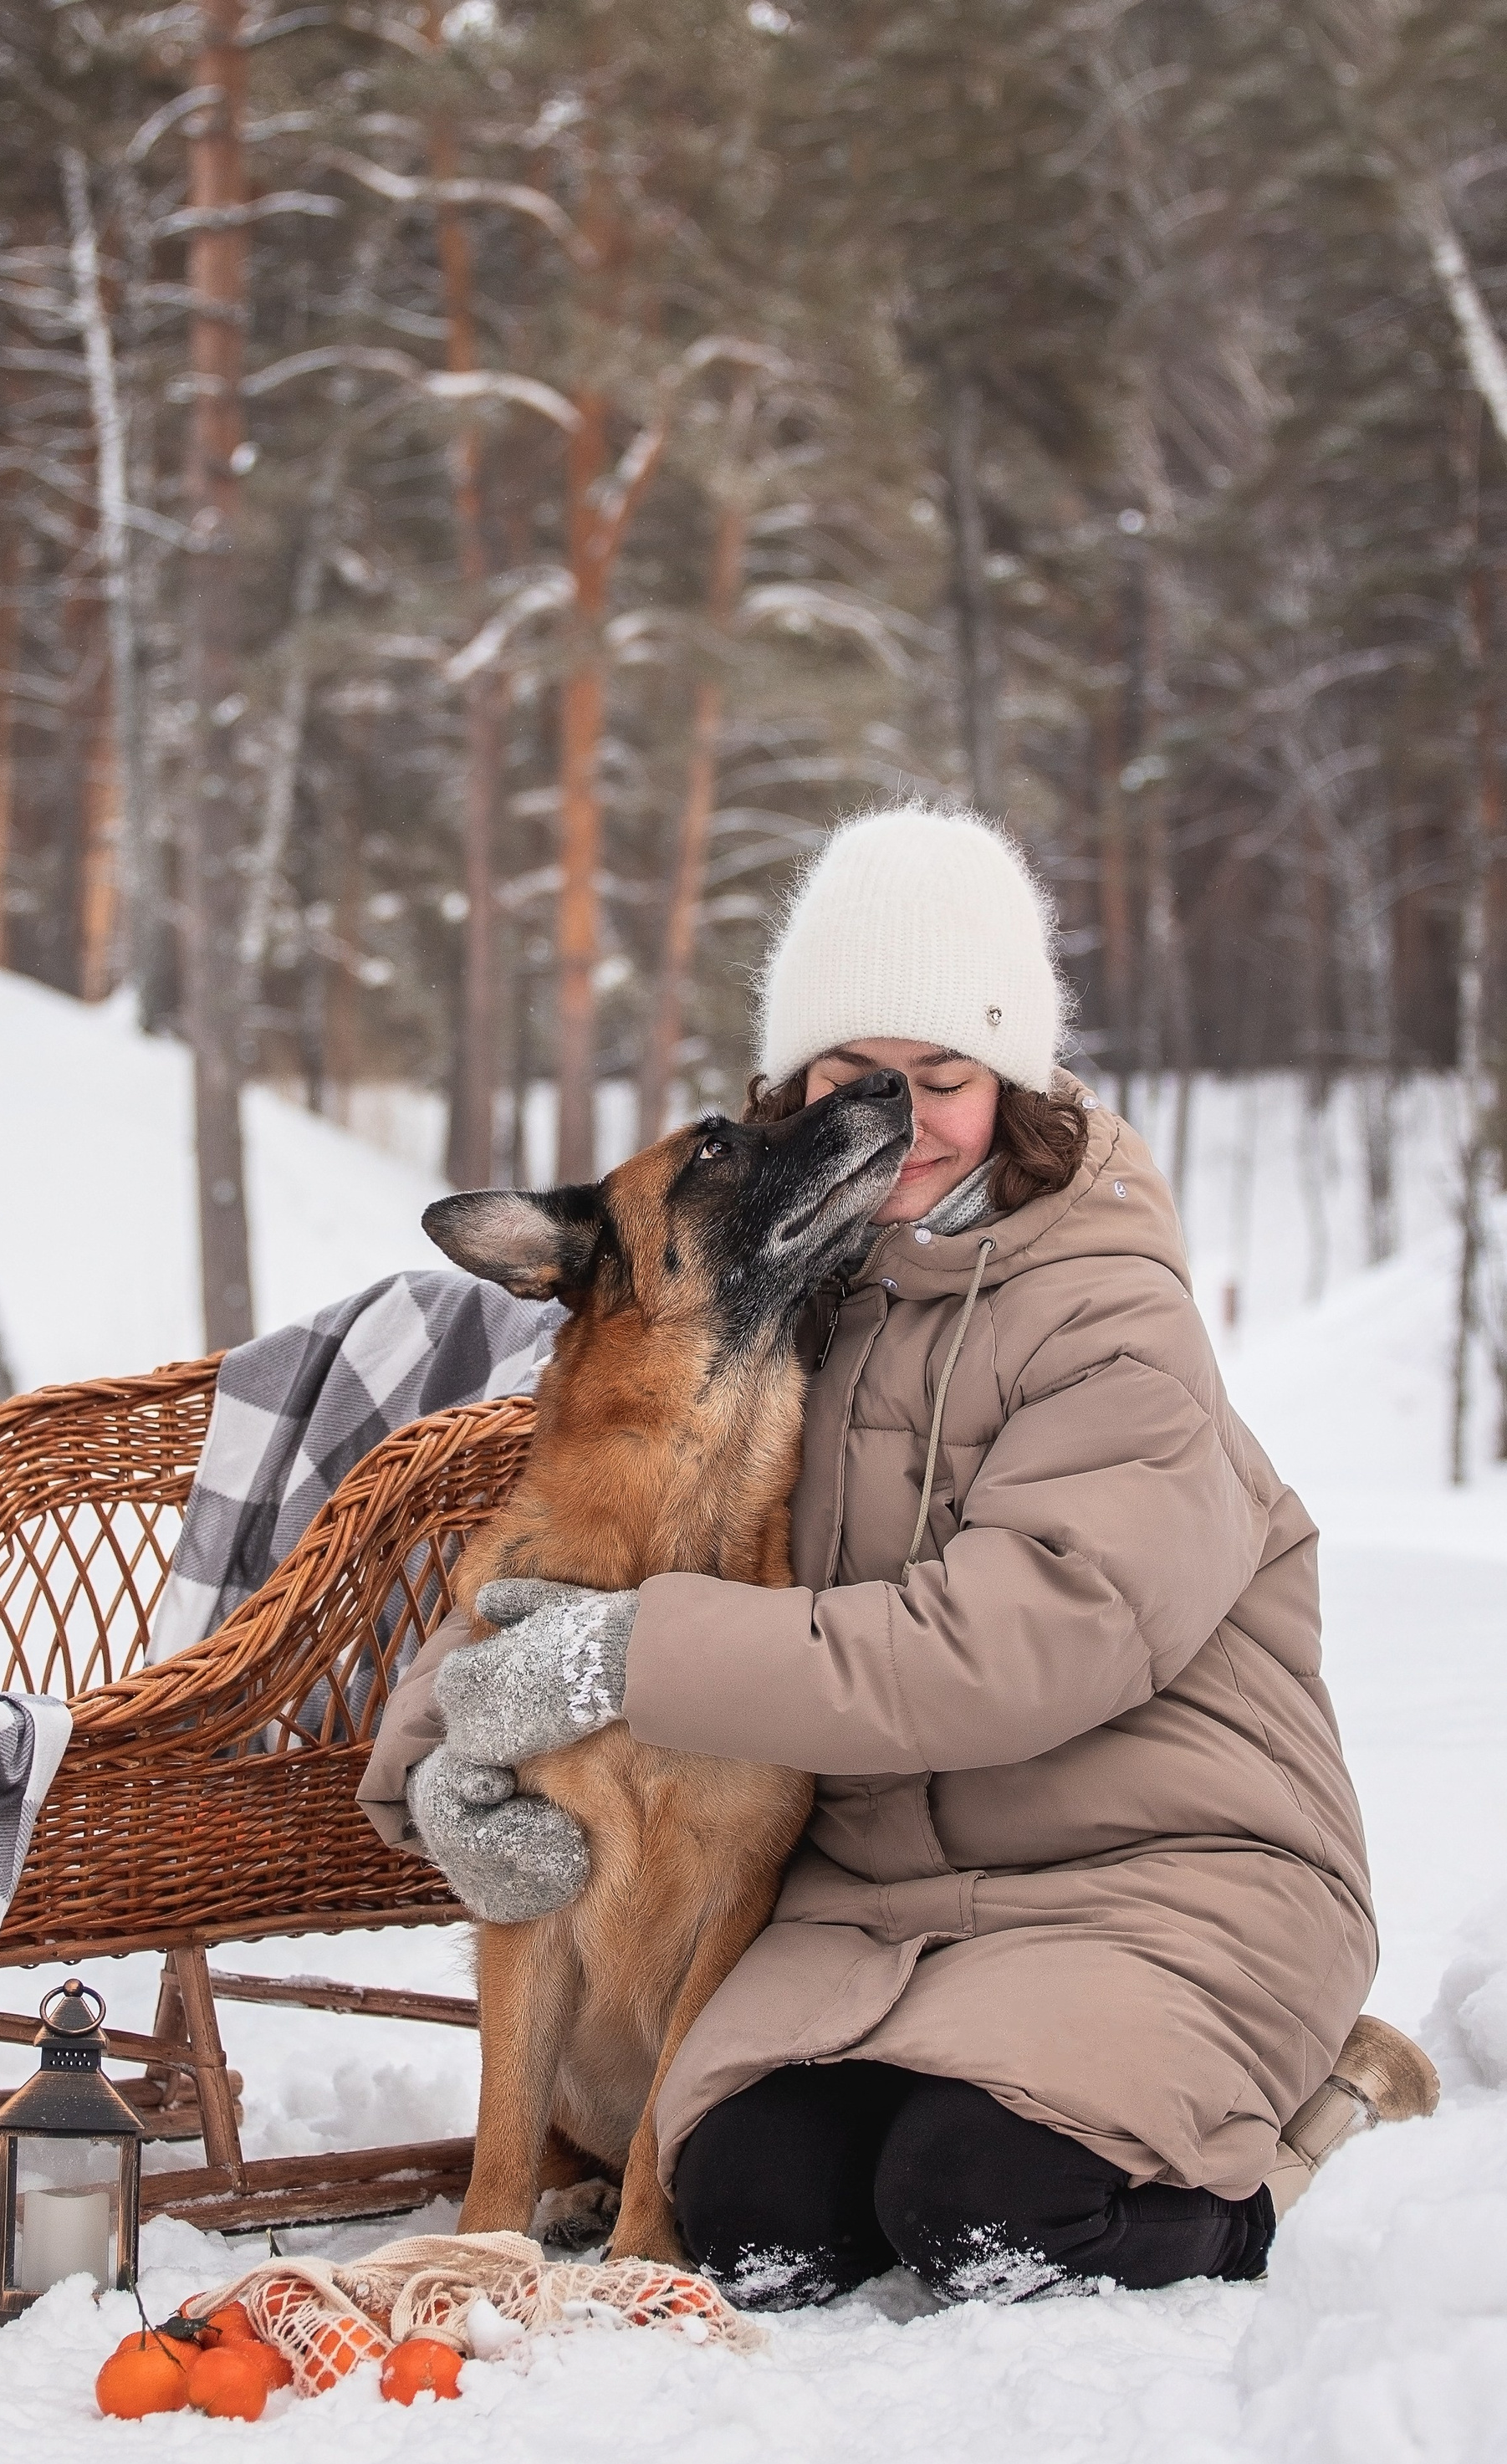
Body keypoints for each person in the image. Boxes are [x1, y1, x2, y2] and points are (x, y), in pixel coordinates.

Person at [360, 803, 1430, 2309]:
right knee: (752, 2219)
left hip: (1161, 1877)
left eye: (948, 1079)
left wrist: (614, 1660)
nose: (906, 1118)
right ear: (800, 1091)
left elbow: (1009, 1650)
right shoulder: (803, 1291)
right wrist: (446, 1747)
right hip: (883, 1905)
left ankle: (1288, 2138)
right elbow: (590, 1542)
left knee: (991, 2209)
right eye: (861, 1079)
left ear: (1018, 1085)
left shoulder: (1116, 1319)